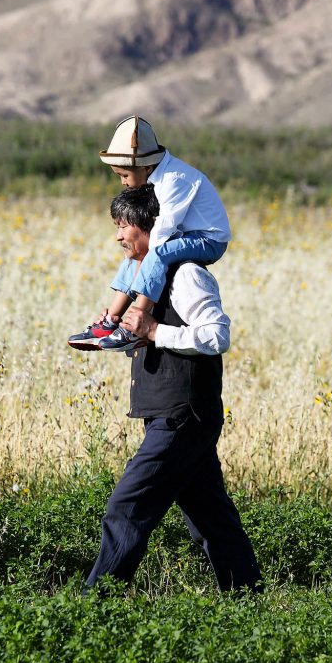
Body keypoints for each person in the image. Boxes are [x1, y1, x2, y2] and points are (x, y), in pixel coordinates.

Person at [85, 183, 262, 593]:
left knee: (126, 507)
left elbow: (217, 335)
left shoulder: (186, 275)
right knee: (210, 518)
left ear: (150, 227)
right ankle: (248, 598)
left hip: (183, 415)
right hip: (174, 416)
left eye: (122, 226)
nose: (117, 237)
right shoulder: (145, 280)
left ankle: (92, 606)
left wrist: (155, 331)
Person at [67, 115, 232, 352]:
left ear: (144, 167)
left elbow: (163, 231)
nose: (123, 182)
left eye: (124, 175)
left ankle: (135, 321)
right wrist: (139, 263)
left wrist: (147, 262)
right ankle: (110, 320)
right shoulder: (157, 176)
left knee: (155, 254)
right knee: (134, 256)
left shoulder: (174, 179)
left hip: (209, 239)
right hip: (187, 235)